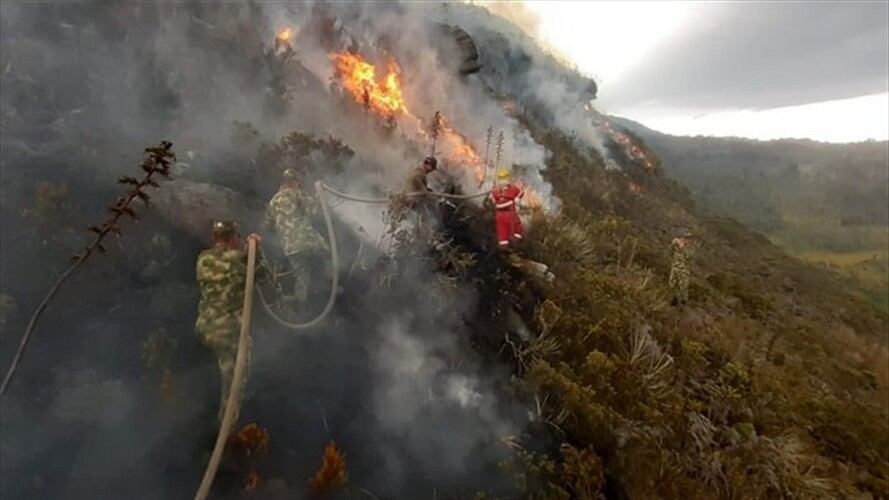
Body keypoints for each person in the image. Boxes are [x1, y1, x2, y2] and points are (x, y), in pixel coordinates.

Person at [195, 221, 261, 422]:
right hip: (226, 329)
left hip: (204, 325)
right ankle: (228, 424)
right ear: (233, 237)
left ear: (215, 237)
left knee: (223, 366)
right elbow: (264, 278)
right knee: (236, 373)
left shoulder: (203, 258)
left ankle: (220, 413)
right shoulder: (239, 260)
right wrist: (255, 253)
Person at [264, 168, 328, 305]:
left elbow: (267, 225)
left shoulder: (272, 202)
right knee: (326, 254)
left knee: (302, 276)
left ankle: (301, 304)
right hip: (308, 241)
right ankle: (330, 286)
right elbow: (315, 211)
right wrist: (318, 197)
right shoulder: (297, 195)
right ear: (295, 182)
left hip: (290, 247)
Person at [490, 168, 524, 249]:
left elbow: (520, 193)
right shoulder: (495, 191)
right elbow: (494, 202)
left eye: (505, 179)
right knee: (502, 230)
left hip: (510, 212)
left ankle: (514, 240)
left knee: (516, 226)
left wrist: (517, 199)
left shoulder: (512, 188)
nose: (503, 181)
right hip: (500, 214)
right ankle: (504, 245)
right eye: (501, 179)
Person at [669, 231, 693, 307]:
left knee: (683, 287)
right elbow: (670, 253)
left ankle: (683, 301)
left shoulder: (690, 248)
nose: (685, 240)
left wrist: (682, 248)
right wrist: (673, 244)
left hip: (684, 271)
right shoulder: (677, 246)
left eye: (688, 239)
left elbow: (689, 256)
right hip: (675, 268)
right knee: (672, 284)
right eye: (684, 238)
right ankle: (674, 299)